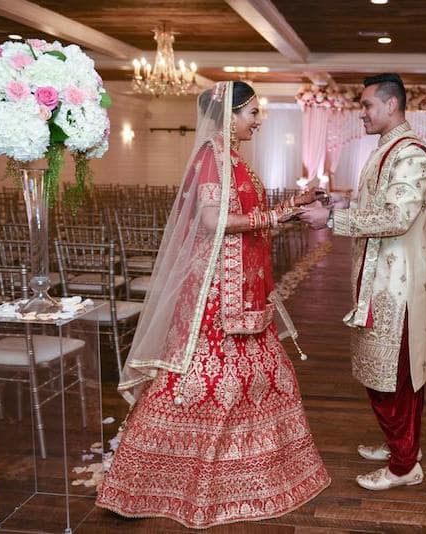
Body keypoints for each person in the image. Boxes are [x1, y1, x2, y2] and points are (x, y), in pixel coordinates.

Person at [96, 81, 330, 528]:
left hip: (245, 286)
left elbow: (247, 223)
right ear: (229, 116)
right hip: (216, 292)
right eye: (252, 114)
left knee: (256, 377)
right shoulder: (211, 157)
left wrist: (290, 207)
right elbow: (211, 222)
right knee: (196, 382)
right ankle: (145, 479)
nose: (258, 121)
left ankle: (247, 472)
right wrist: (278, 215)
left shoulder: (235, 159)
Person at [300, 73, 426, 491]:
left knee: (395, 376)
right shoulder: (388, 150)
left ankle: (404, 465)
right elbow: (382, 203)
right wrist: (345, 201)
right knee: (383, 373)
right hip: (378, 278)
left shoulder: (410, 154)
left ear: (391, 105)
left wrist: (333, 220)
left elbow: (398, 217)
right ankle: (401, 445)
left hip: (397, 287)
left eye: (367, 106)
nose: (362, 113)